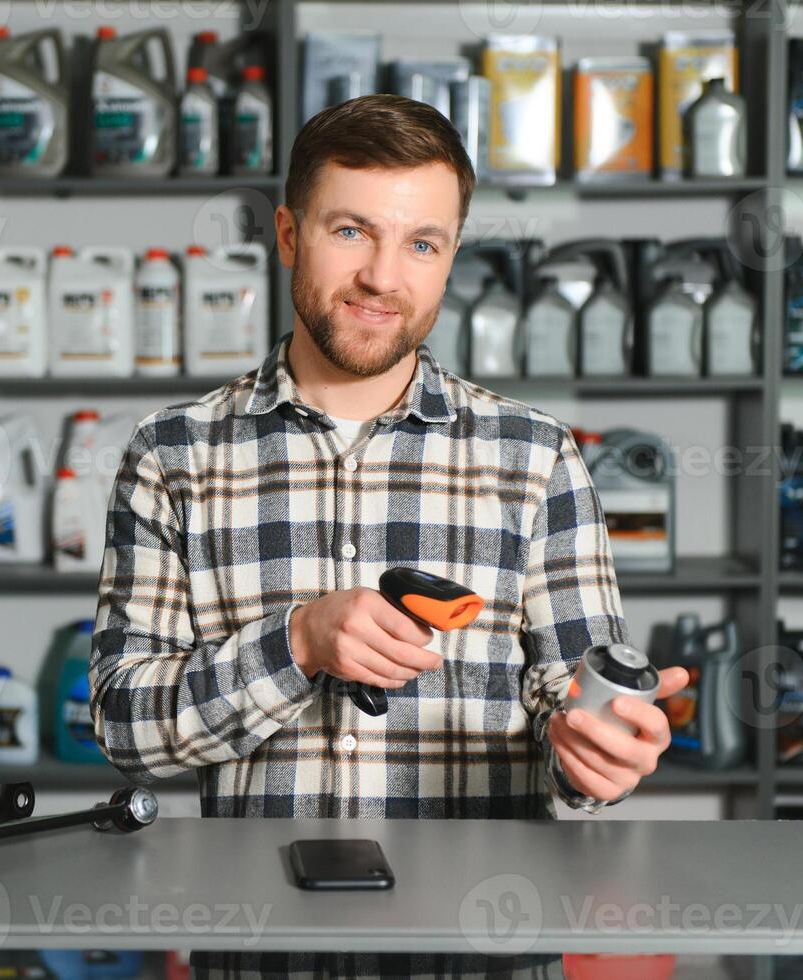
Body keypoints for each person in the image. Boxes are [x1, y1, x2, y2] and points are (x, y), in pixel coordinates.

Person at [90, 94, 690, 978]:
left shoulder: (536, 458)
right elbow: (122, 726)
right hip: (263, 956)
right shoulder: (174, 455)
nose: (382, 277)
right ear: (289, 235)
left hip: (478, 952)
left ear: (450, 257)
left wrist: (597, 750)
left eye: (421, 243)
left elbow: (571, 697)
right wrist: (296, 641)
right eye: (349, 232)